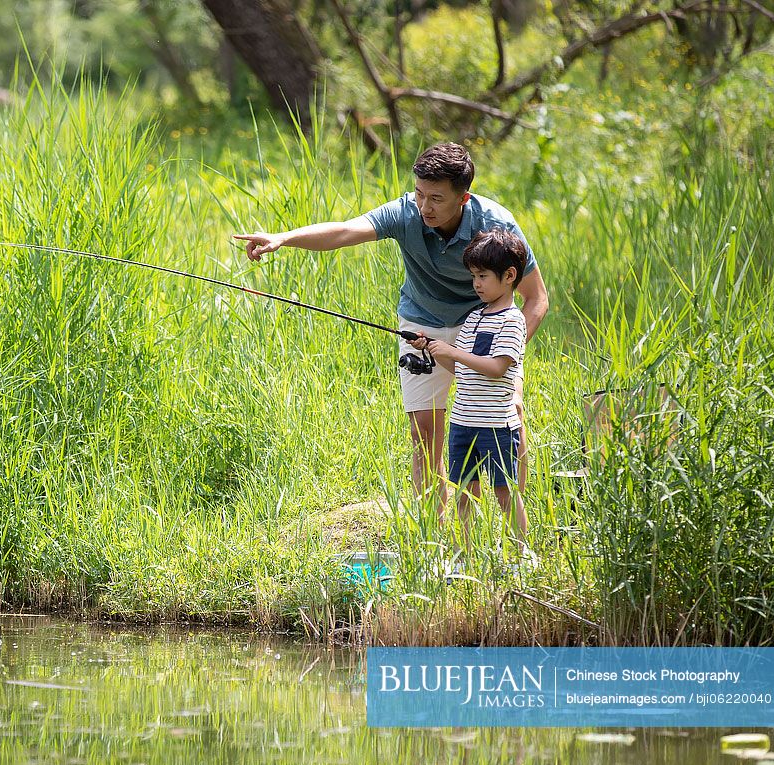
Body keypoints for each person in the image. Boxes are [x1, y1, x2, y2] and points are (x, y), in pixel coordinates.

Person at [233, 143, 548, 513]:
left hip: (484, 323)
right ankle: (438, 536)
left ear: (463, 197)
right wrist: (284, 238)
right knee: (424, 432)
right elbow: (344, 231)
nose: (424, 206)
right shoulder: (406, 212)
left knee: (510, 411)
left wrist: (504, 352)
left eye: (436, 198)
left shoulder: (496, 225)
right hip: (421, 322)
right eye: (419, 193)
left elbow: (537, 299)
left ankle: (518, 520)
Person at [409, 229, 529, 557]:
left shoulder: (512, 321)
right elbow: (462, 369)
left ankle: (522, 554)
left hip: (496, 425)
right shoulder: (474, 318)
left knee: (504, 492)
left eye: (482, 276)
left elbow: (496, 368)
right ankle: (465, 555)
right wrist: (433, 349)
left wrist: (455, 352)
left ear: (509, 276)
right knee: (464, 493)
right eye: (473, 276)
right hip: (463, 425)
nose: (476, 284)